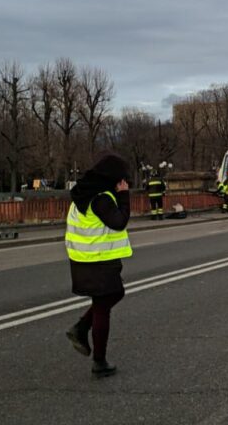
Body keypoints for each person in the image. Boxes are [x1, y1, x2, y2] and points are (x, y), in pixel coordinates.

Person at [64, 150, 133, 378]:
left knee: (113, 295)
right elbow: (118, 222)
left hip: (83, 259)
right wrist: (124, 196)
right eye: (121, 179)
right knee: (103, 307)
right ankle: (99, 362)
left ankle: (81, 328)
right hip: (99, 260)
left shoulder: (82, 195)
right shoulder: (102, 198)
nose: (122, 183)